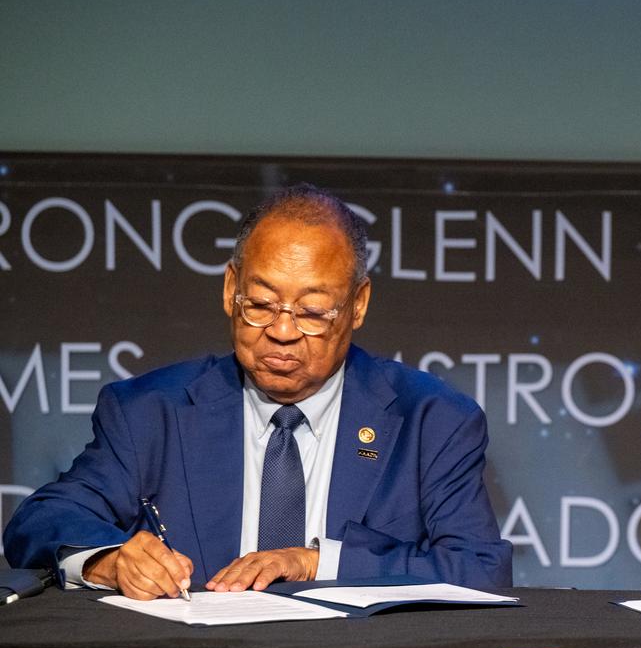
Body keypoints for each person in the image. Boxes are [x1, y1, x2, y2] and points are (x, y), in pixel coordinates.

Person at [3, 185, 512, 599]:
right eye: (262, 304)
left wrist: (317, 562)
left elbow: (480, 569)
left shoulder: (431, 419)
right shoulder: (151, 413)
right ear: (231, 290)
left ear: (358, 305)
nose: (283, 331)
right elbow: (41, 520)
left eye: (313, 312)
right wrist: (110, 560)